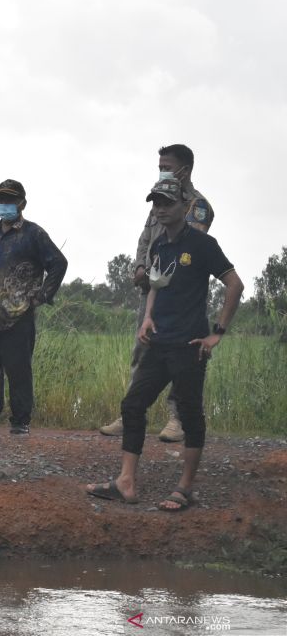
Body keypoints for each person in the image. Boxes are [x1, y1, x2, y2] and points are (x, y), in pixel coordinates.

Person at [86, 177, 242, 511]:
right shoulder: (159, 245)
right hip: (158, 342)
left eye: (167, 203)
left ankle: (184, 489)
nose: (160, 209)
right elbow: (155, 283)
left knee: (189, 414)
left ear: (185, 207)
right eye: (156, 204)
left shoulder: (203, 244)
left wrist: (218, 332)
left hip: (190, 344)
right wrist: (148, 317)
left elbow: (234, 284)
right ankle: (126, 482)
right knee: (132, 404)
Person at [100, 144, 215, 442]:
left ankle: (177, 419)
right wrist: (140, 266)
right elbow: (145, 240)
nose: (162, 170)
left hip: (183, 298)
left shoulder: (197, 206)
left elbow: (184, 246)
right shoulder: (158, 202)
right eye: (159, 165)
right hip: (152, 292)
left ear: (185, 169)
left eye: (167, 165)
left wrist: (152, 268)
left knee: (182, 356)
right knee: (143, 349)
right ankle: (131, 413)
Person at [0, 179, 67, 435]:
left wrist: (41, 296)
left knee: (18, 371)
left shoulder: (33, 234)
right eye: (0, 200)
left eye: (9, 200)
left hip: (17, 316)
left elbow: (58, 264)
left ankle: (20, 422)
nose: (3, 205)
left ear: (22, 204)